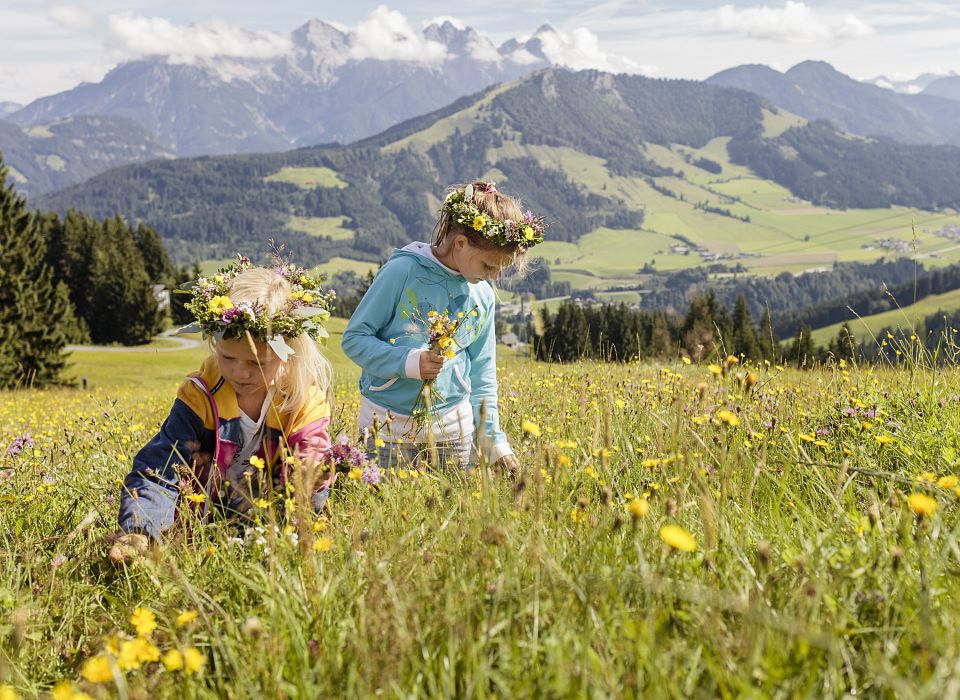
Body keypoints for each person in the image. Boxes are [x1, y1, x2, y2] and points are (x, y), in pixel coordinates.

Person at [112, 257, 335, 557]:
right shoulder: (199, 397)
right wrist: (140, 529)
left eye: (257, 363)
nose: (241, 373)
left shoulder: (302, 402)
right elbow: (159, 466)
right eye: (228, 359)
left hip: (270, 536)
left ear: (288, 354)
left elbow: (311, 471)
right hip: (197, 540)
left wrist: (289, 538)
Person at [341, 181, 547, 474]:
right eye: (489, 265)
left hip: (455, 434)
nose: (494, 276)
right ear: (460, 243)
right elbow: (355, 339)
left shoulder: (482, 295)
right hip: (386, 431)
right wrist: (409, 363)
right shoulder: (403, 271)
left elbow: (482, 373)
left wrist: (493, 442)